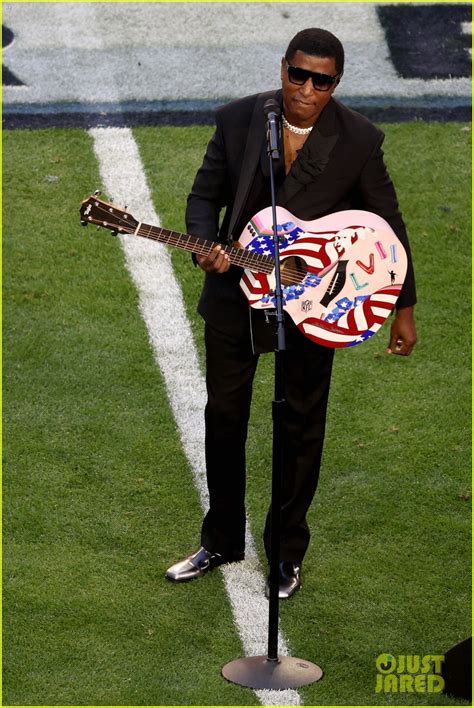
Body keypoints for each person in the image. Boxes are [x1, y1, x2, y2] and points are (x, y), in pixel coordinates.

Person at [166, 28, 417, 598]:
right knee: (224, 415)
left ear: (336, 83)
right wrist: (206, 244)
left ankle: (285, 555)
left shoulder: (358, 140)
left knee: (300, 425)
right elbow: (204, 196)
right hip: (236, 293)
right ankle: (222, 540)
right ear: (282, 69)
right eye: (297, 75)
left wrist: (403, 307)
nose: (306, 89)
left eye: (320, 80)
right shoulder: (238, 120)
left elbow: (389, 226)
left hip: (312, 304)